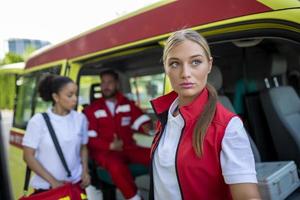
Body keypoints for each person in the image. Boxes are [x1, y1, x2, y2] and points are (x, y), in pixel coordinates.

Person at [150, 29, 261, 200]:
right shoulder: (165, 115)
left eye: (195, 62)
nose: (185, 73)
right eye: (174, 64)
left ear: (209, 65)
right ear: (166, 68)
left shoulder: (227, 126)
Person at [83, 70, 151, 200]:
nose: (106, 86)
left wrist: (147, 127)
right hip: (105, 152)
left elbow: (142, 121)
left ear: (117, 84)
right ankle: (135, 198)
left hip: (128, 148)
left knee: (156, 155)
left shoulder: (126, 103)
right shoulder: (93, 108)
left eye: (109, 82)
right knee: (116, 166)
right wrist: (110, 146)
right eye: (103, 82)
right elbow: (89, 139)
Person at [22, 74, 90, 194]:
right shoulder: (38, 121)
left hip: (76, 187)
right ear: (56, 97)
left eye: (76, 94)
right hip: (47, 190)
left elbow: (83, 147)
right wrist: (53, 182)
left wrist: (85, 172)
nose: (75, 99)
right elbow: (28, 156)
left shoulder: (81, 119)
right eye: (70, 95)